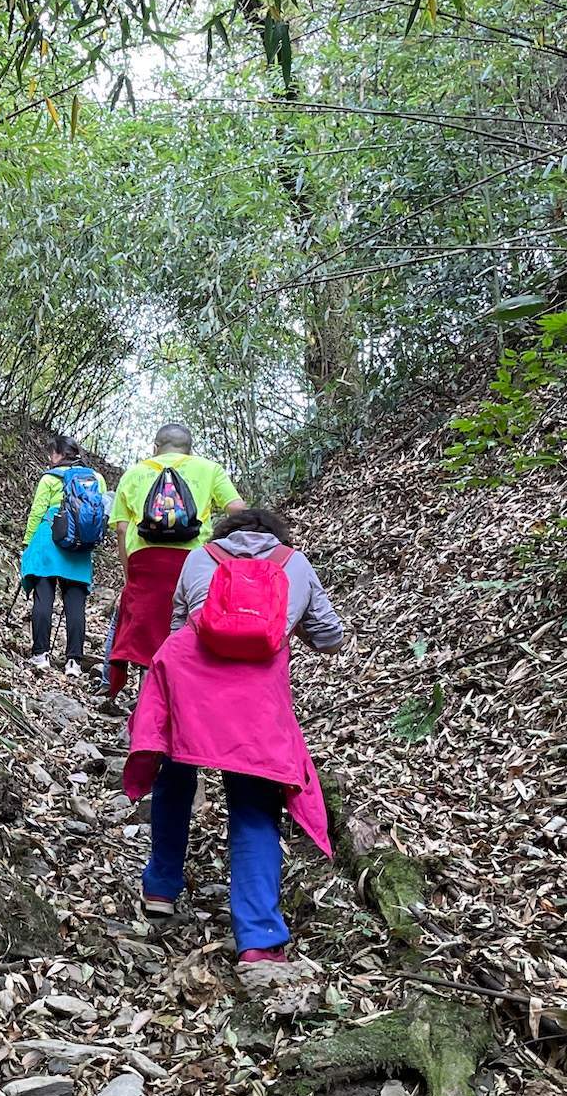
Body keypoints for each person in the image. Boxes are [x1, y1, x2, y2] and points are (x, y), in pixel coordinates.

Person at [121, 505, 345, 1004]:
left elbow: (180, 625)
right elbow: (332, 638)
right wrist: (295, 624)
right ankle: (260, 940)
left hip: (191, 684)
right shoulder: (296, 564)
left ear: (227, 533)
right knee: (254, 803)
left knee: (175, 775)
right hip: (255, 697)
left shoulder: (199, 558)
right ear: (274, 535)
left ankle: (160, 888)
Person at [105, 423, 245, 699]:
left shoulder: (134, 473)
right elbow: (238, 511)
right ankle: (184, 705)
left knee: (148, 637)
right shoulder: (209, 469)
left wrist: (128, 573)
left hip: (145, 564)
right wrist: (222, 552)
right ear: (190, 450)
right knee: (187, 630)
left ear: (155, 448)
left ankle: (144, 710)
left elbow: (121, 529)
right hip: (196, 562)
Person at [18, 437, 106, 674]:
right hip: (79, 545)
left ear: (58, 454)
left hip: (49, 539)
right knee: (75, 605)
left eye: (51, 454)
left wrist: (27, 543)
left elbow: (37, 512)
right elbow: (100, 515)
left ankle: (40, 655)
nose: (50, 459)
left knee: (43, 598)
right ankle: (74, 663)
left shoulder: (49, 478)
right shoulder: (95, 479)